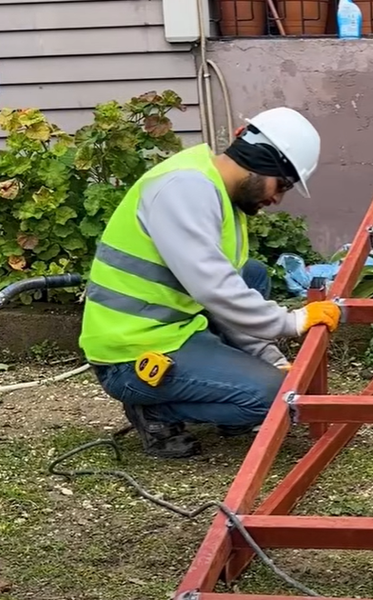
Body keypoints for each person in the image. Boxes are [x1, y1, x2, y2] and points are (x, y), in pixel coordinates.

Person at [78, 107, 342, 459]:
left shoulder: (219, 194)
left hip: (174, 327)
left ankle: (228, 393)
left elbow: (228, 287)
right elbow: (213, 287)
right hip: (130, 353)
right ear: (261, 160)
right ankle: (154, 411)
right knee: (274, 396)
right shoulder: (184, 188)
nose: (278, 198)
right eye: (283, 184)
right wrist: (291, 322)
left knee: (251, 274)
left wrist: (270, 357)